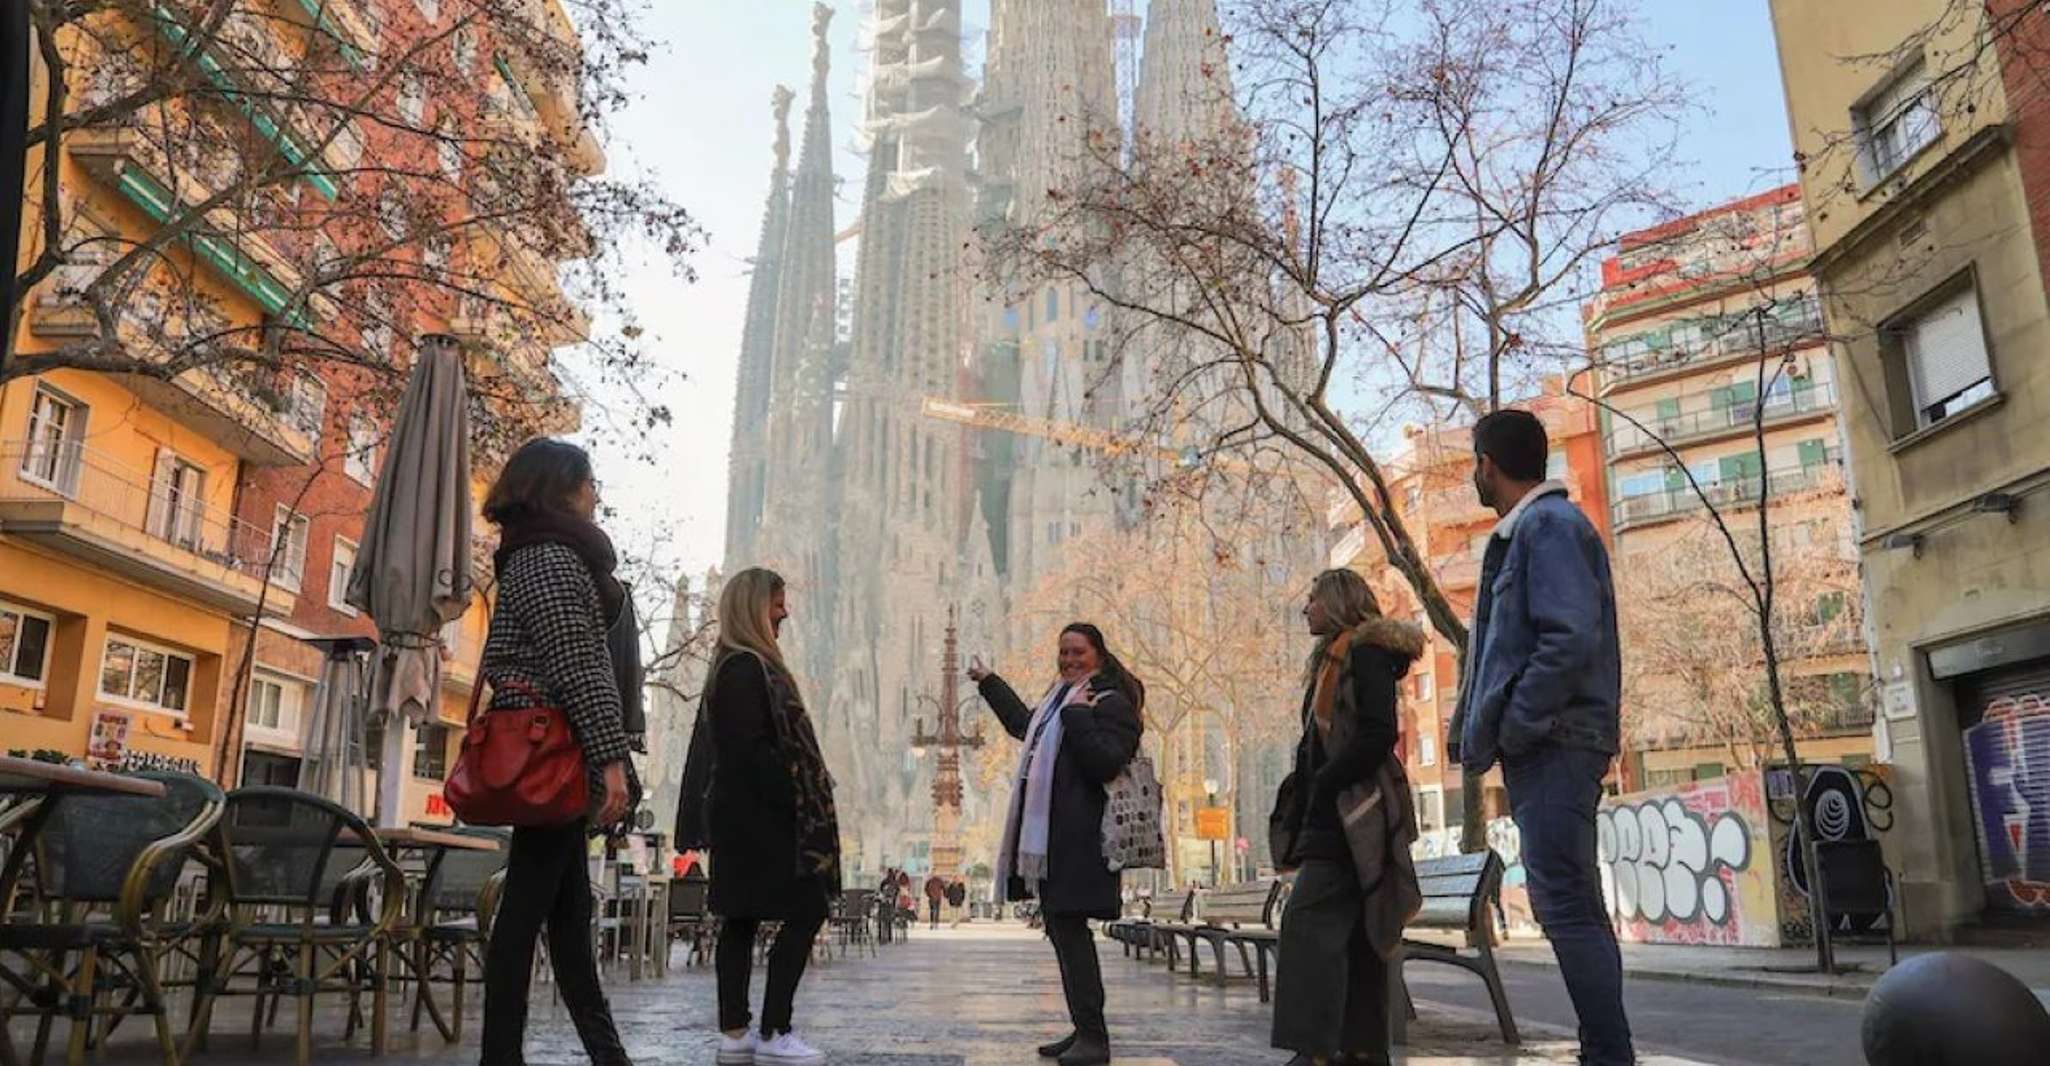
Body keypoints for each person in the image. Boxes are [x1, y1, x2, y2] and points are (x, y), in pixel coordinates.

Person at [1448, 409, 1633, 1066]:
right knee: (1567, 901)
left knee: (1568, 903)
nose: (1474, 473)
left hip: (1556, 740)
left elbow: (1567, 639)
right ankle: (1605, 1052)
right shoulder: (1535, 528)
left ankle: (1607, 1056)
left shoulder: (1548, 527)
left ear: (1488, 465)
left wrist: (1519, 724)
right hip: (1552, 739)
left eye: (1474, 462)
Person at [476, 439, 635, 1066]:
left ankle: (607, 1053)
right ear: (560, 489)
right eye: (589, 482)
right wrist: (611, 758)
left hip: (551, 747)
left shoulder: (536, 553)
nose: (597, 494)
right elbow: (578, 663)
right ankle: (500, 1057)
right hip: (552, 750)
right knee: (522, 919)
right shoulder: (549, 556)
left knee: (570, 920)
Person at [969, 624, 1144, 1066]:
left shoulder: (1107, 704)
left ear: (1099, 656)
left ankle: (1095, 1039)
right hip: (1055, 844)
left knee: (1073, 937)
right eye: (1063, 652)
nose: (1068, 659)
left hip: (1083, 845)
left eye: (1078, 652)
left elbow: (1106, 762)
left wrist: (1079, 718)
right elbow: (1023, 726)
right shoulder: (1059, 704)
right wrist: (989, 682)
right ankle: (1083, 1029)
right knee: (1064, 935)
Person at [1270, 569, 1425, 1066]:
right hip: (1336, 809)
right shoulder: (1335, 657)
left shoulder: (1365, 652)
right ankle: (1362, 1048)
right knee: (1357, 936)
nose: (1306, 608)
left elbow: (1377, 732)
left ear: (1336, 602)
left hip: (1353, 812)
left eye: (1313, 599)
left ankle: (1315, 1049)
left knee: (1306, 923)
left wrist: (1327, 781)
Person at [706, 568, 843, 1066]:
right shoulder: (745, 668)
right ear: (754, 608)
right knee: (808, 908)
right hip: (761, 820)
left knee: (740, 920)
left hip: (743, 817)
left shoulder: (737, 665)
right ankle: (773, 1028)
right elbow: (749, 751)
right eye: (777, 604)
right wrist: (797, 792)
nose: (785, 613)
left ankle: (737, 1031)